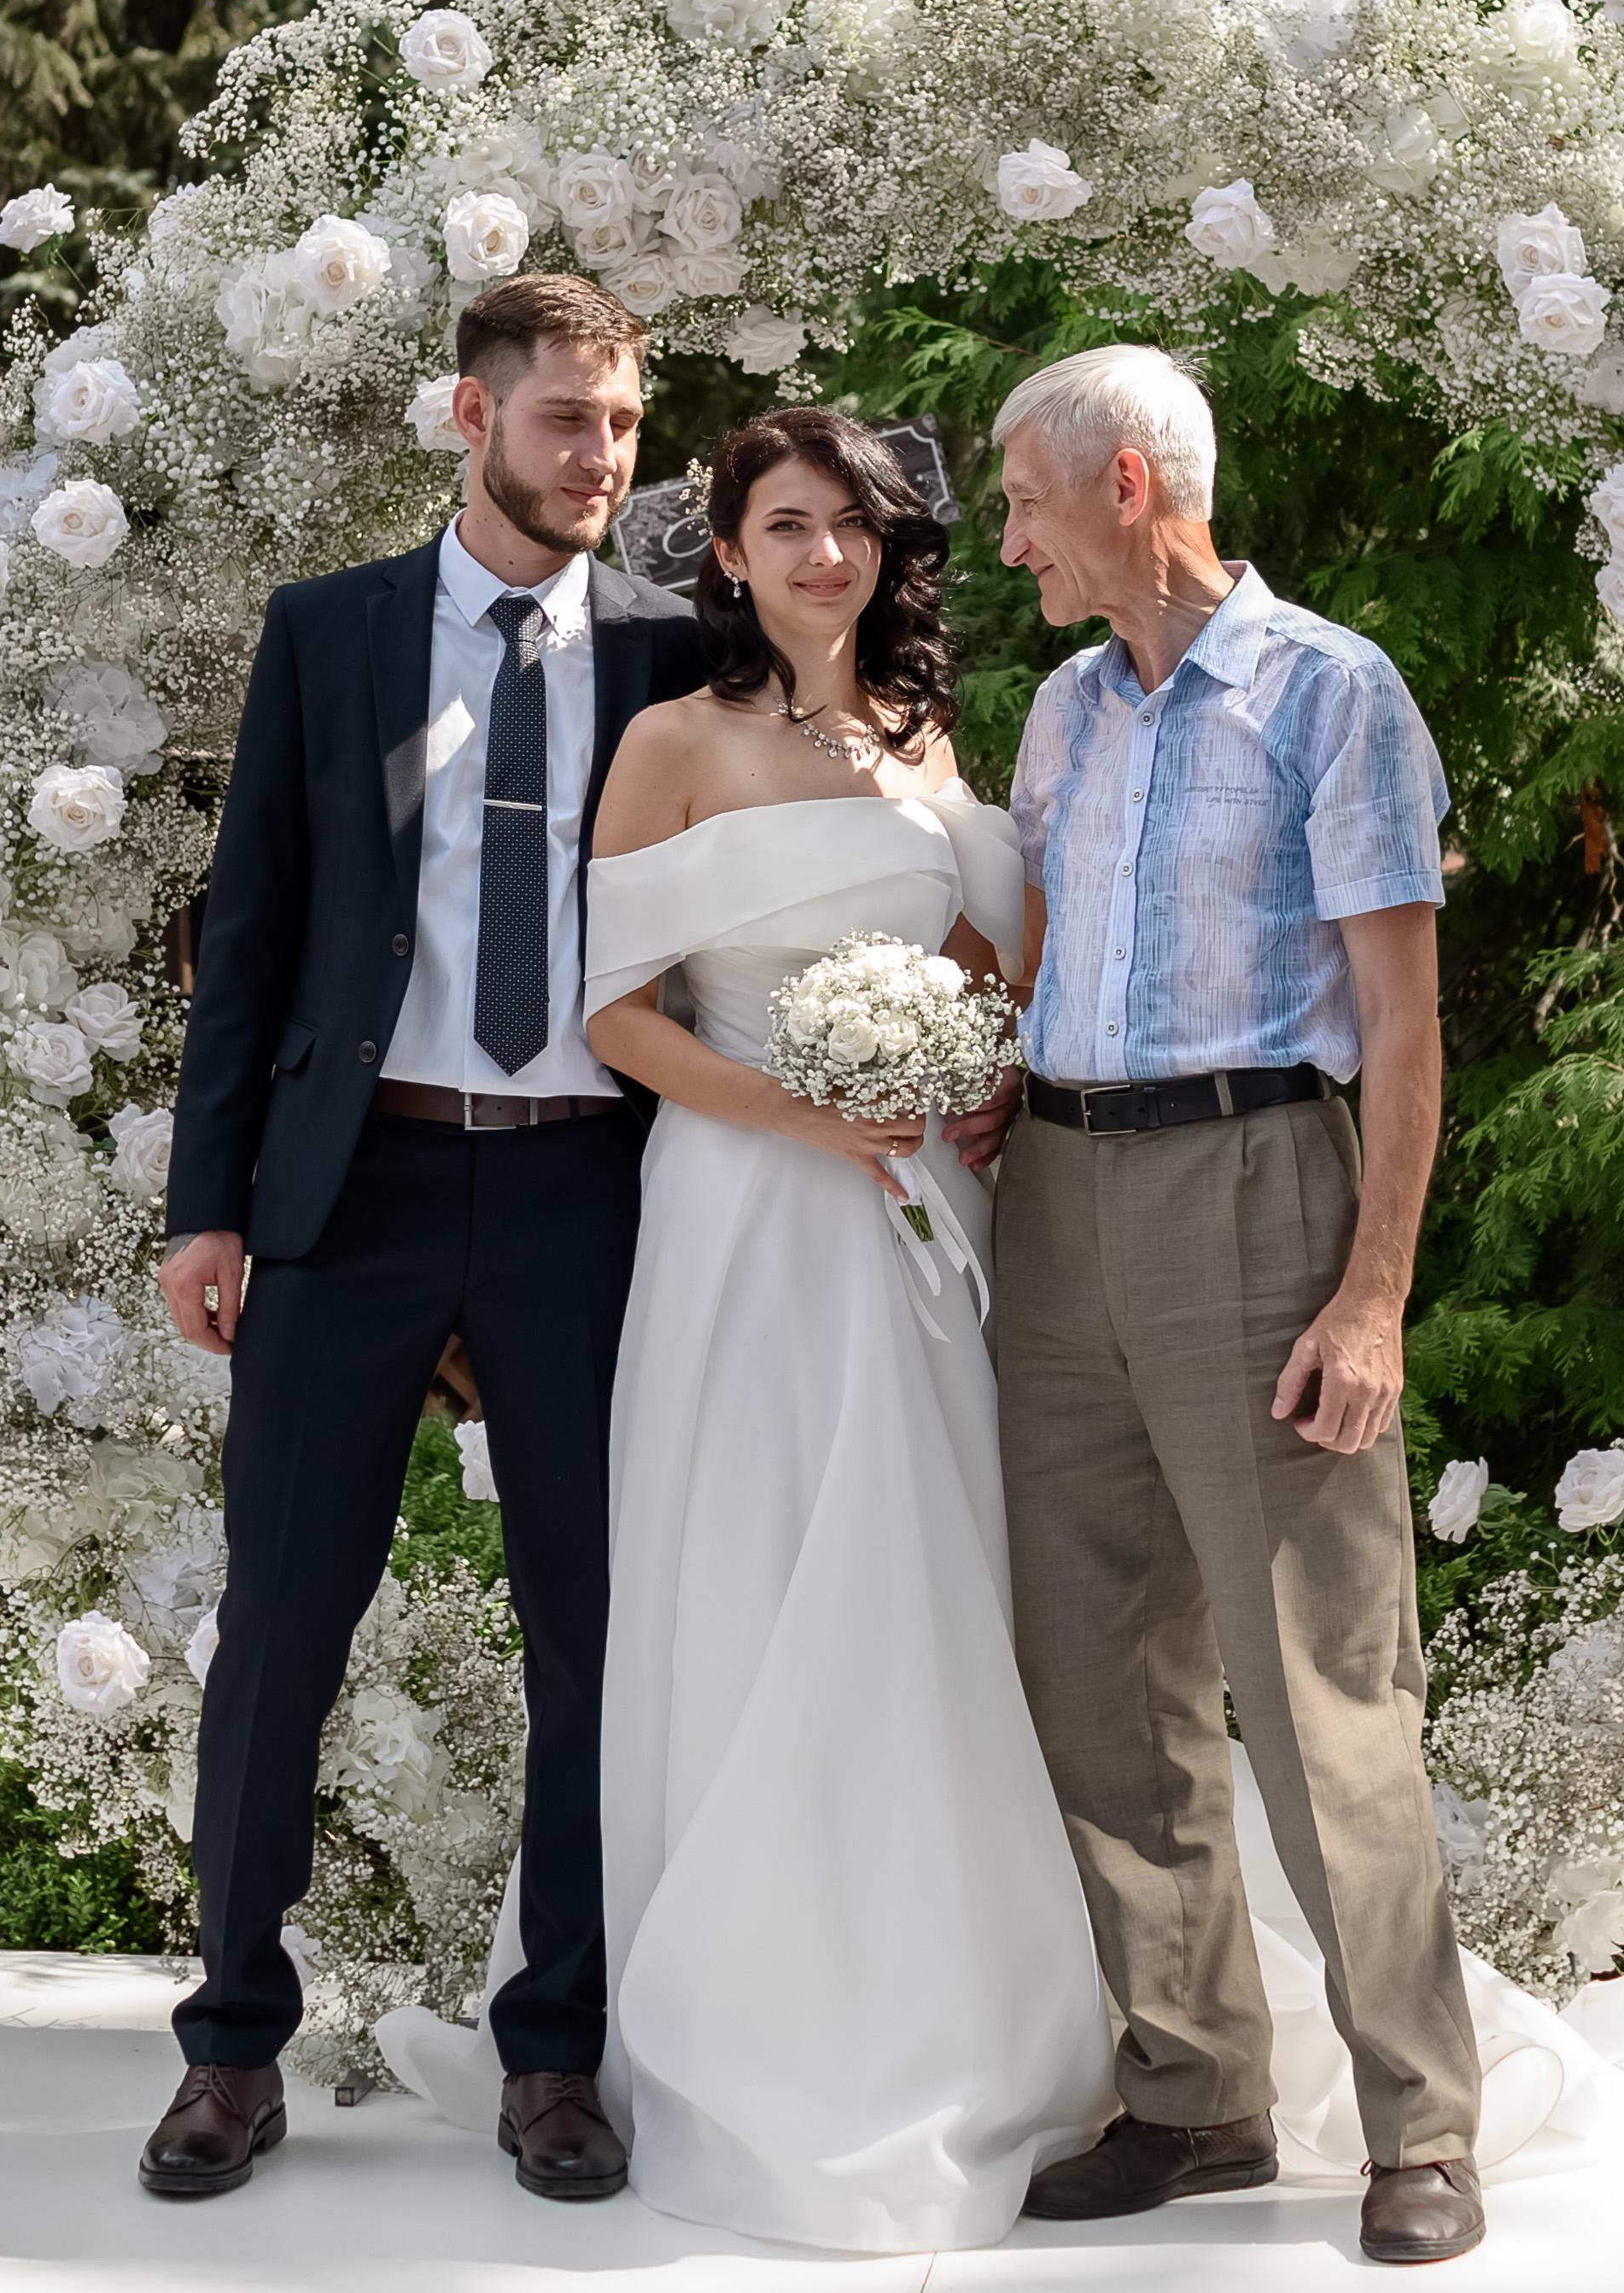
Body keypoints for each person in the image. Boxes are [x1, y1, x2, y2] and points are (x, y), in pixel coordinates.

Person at [143, 272, 704, 2206]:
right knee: (283, 1632)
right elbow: (256, 930)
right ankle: (230, 2046)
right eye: (570, 423)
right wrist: (207, 1204)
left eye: (625, 427)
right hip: (350, 1189)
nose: (604, 462)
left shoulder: (670, 647)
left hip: (590, 1192)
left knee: (596, 1639)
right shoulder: (335, 634)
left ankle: (555, 2056)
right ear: (469, 419)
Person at [570, 409, 1113, 2250]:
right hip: (748, 1212)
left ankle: (960, 1989)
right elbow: (617, 1016)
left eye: (854, 531)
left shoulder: (933, 742)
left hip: (924, 1213)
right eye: (786, 529)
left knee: (934, 1565)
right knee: (768, 1564)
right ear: (723, 552)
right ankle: (769, 2011)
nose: (824, 559)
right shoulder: (672, 742)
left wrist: (967, 1071)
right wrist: (811, 1116)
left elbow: (989, 958)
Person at [983, 342, 1487, 2269]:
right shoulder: (1059, 712)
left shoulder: (1327, 690)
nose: (1006, 537)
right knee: (1098, 1677)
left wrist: (1373, 1295)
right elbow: (1021, 955)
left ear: (1123, 484)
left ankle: (1421, 2129)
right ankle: (1194, 2096)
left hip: (1257, 1186)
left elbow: (1405, 1021)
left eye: (1026, 500)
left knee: (1321, 1694)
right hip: (1057, 1199)